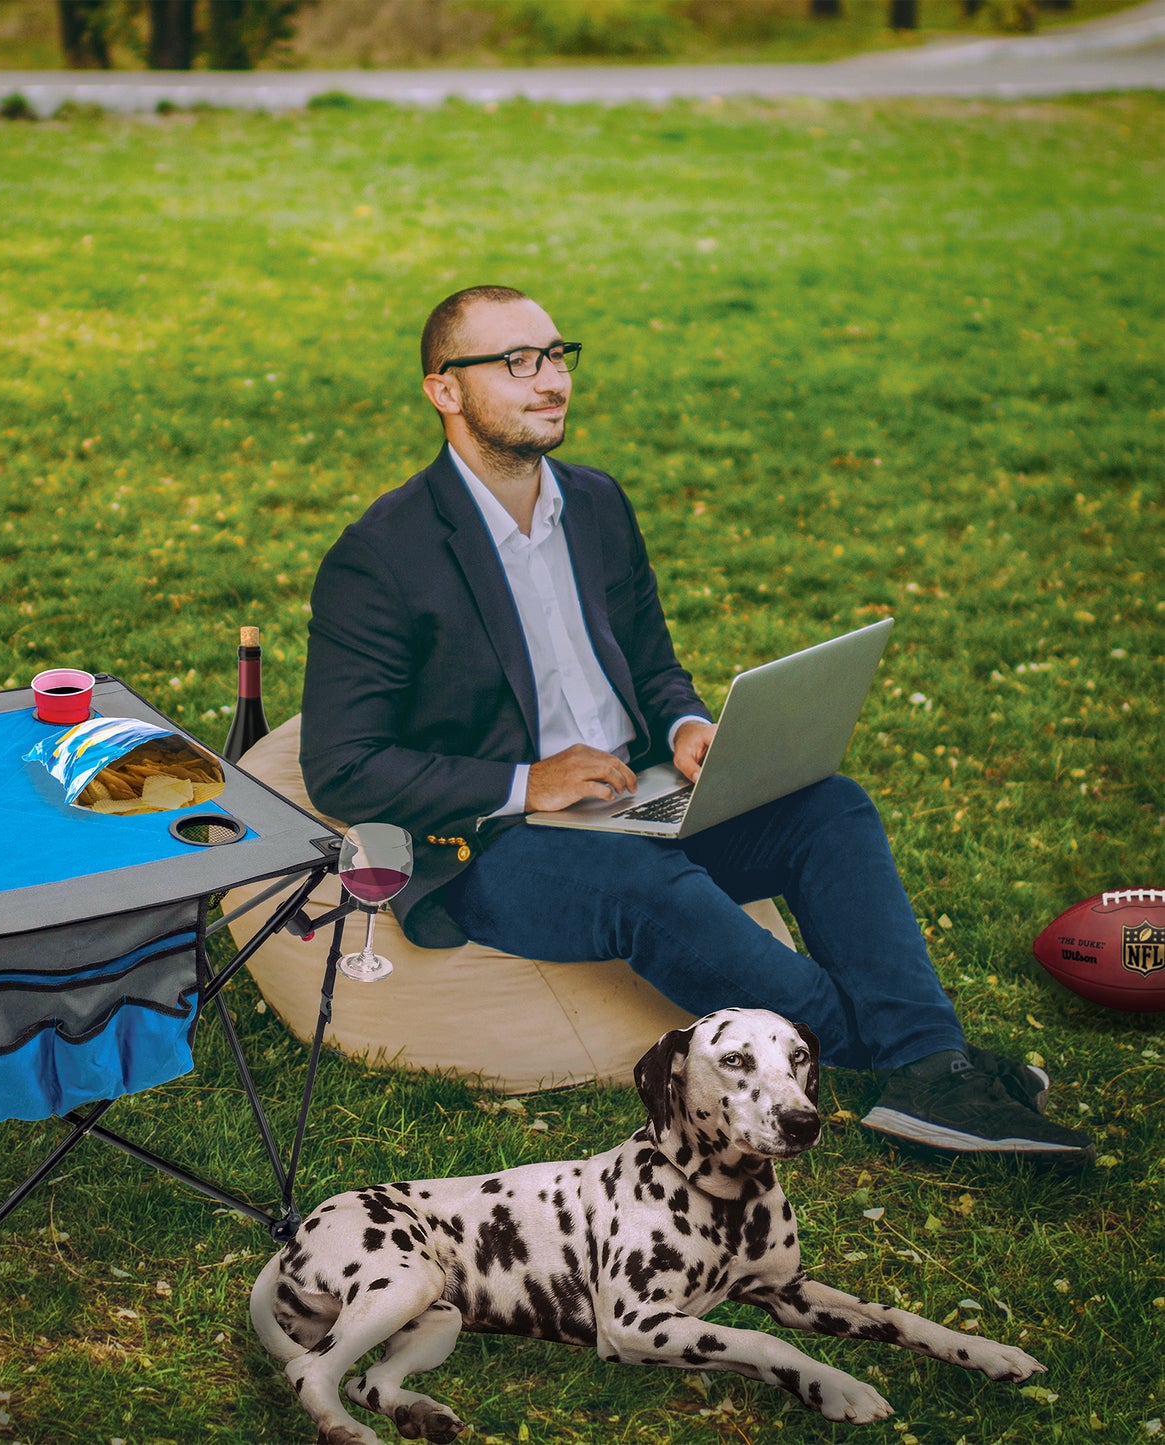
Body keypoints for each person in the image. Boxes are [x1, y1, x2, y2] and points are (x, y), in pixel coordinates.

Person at [300, 284, 1092, 1163]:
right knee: (650, 889)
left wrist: (683, 721)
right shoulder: (379, 556)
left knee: (829, 805)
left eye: (557, 355)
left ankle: (928, 1067)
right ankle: (918, 1064)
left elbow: (650, 659)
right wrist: (531, 780)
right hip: (496, 842)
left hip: (638, 792)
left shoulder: (595, 503)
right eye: (516, 362)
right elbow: (341, 763)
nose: (550, 380)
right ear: (444, 390)